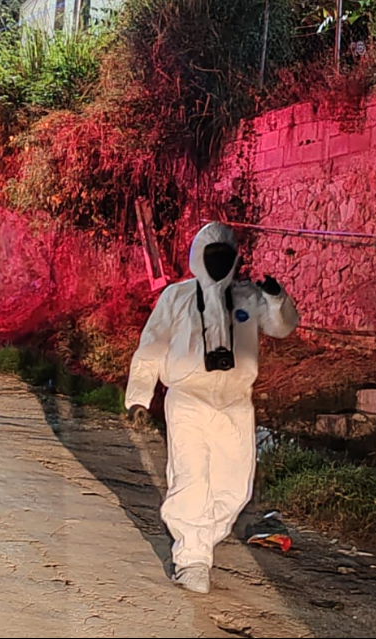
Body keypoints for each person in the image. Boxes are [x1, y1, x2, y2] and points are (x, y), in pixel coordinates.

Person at [125, 221, 299, 595]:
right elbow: (152, 346)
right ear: (198, 258)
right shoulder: (177, 297)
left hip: (235, 403)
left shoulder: (249, 297)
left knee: (234, 485)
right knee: (190, 477)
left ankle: (205, 537)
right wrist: (139, 396)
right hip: (188, 398)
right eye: (212, 256)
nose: (218, 262)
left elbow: (282, 326)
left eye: (224, 256)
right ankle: (192, 559)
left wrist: (275, 297)